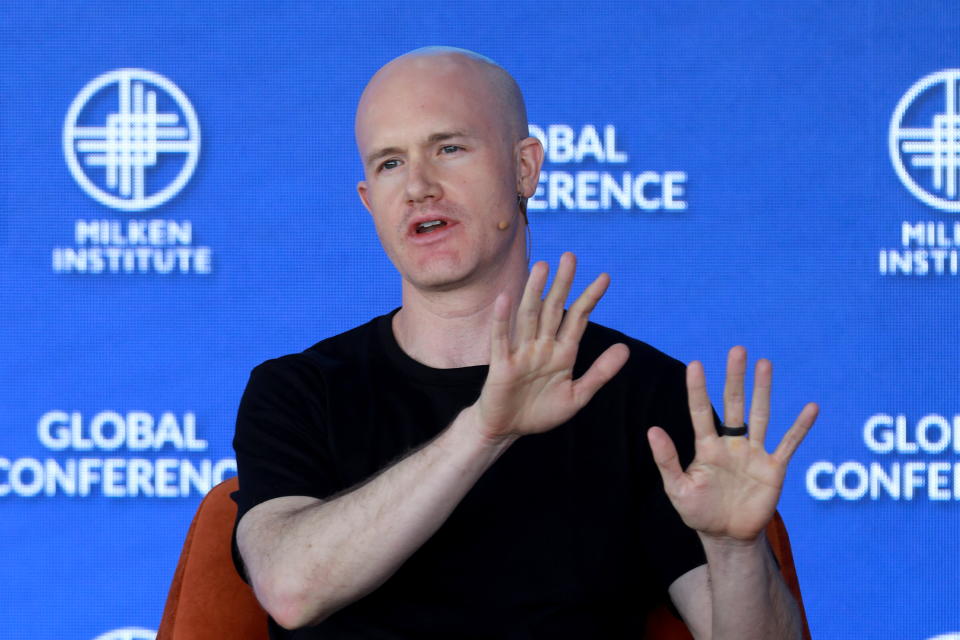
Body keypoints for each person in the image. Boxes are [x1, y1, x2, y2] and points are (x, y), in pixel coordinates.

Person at [231, 46, 819, 639]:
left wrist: (734, 550)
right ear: (369, 203)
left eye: (449, 148)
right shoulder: (298, 391)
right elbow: (289, 587)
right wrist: (485, 428)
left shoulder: (639, 393)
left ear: (525, 168)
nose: (417, 186)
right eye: (389, 163)